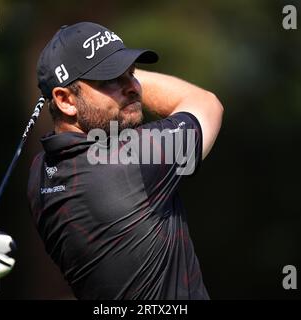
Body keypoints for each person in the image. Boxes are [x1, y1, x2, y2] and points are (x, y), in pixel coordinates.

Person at [27, 21, 223, 300]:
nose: (133, 87)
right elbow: (206, 102)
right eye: (109, 79)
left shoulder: (39, 176)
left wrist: (106, 72)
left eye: (131, 73)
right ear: (65, 100)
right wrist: (129, 72)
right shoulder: (132, 160)